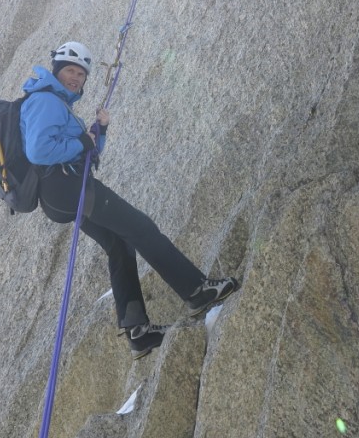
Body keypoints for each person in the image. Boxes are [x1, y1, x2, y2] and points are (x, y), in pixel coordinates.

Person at [19, 41, 240, 359]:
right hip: (67, 188)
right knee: (140, 228)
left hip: (63, 193)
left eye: (81, 74)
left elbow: (84, 150)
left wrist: (99, 131)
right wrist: (83, 141)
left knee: (119, 245)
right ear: (55, 70)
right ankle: (197, 291)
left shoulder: (53, 102)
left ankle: (138, 333)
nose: (76, 78)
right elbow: (39, 151)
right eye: (70, 70)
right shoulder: (46, 100)